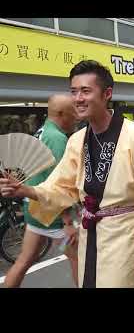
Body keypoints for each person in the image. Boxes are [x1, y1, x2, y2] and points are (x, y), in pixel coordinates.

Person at [0, 60, 134, 288]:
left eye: (85, 91)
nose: (78, 98)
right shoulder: (77, 140)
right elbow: (61, 185)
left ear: (107, 94)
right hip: (88, 230)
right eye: (74, 92)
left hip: (123, 232)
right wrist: (25, 190)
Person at [4, 94, 79, 288]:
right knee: (79, 261)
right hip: (52, 214)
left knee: (23, 261)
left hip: (33, 209)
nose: (77, 117)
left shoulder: (41, 131)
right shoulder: (57, 138)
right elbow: (61, 185)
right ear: (62, 114)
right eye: (73, 113)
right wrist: (68, 221)